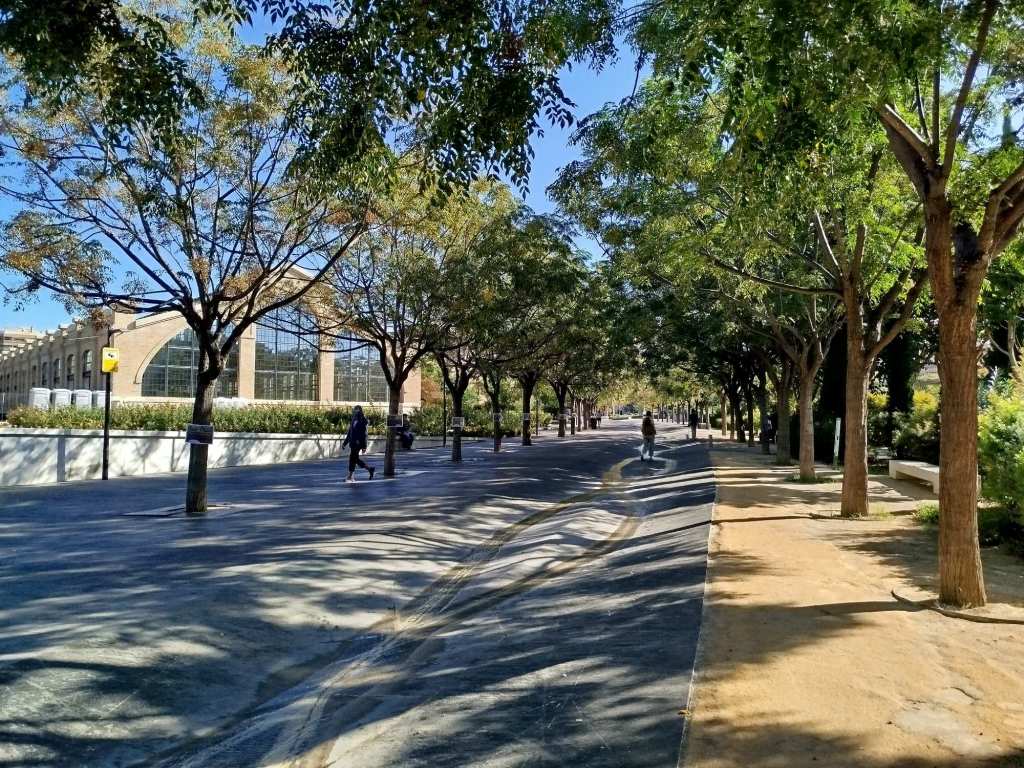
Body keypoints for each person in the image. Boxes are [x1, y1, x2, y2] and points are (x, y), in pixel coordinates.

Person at [343, 405, 375, 483]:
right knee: (354, 459)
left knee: (353, 458)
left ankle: (351, 477)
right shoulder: (353, 419)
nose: (355, 411)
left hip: (358, 444)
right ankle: (369, 469)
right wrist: (345, 443)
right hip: (353, 443)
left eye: (357, 410)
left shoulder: (363, 420)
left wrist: (364, 446)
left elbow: (365, 434)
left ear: (360, 411)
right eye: (355, 410)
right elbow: (350, 433)